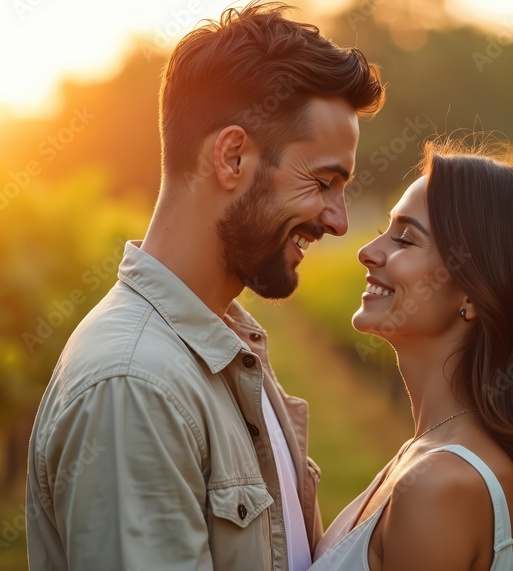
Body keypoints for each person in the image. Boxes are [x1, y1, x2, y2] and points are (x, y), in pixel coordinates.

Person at [25, 3, 384, 570]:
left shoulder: (226, 344)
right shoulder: (136, 385)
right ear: (232, 156)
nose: (338, 221)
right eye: (322, 182)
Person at [309, 142, 513, 571]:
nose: (368, 251)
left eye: (405, 238)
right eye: (385, 230)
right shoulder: (429, 455)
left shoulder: (438, 485)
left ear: (474, 292)